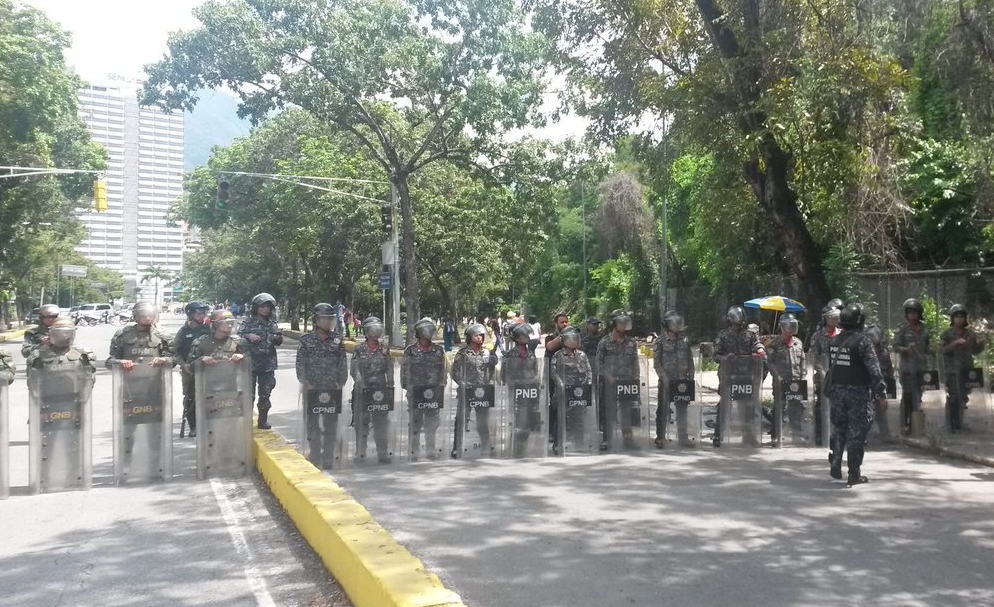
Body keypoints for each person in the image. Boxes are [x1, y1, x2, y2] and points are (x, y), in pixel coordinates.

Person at [105, 302, 173, 469]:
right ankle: (125, 466)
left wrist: (164, 360)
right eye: (144, 315)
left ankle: (156, 465)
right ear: (136, 316)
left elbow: (174, 358)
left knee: (155, 430)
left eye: (150, 315)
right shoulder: (123, 335)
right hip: (130, 390)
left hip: (155, 389)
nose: (148, 318)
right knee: (128, 430)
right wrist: (120, 362)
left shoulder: (162, 334)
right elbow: (109, 361)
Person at [827, 303, 886, 487]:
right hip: (857, 392)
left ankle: (836, 463)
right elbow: (874, 370)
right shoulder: (863, 341)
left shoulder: (834, 341)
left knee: (839, 429)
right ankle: (854, 474)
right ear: (859, 321)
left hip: (837, 392)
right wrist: (881, 393)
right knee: (856, 433)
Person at [297, 303, 349, 468]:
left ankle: (328, 456)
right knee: (312, 424)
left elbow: (342, 364)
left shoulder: (337, 340)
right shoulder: (306, 341)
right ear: (316, 320)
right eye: (324, 319)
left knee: (330, 424)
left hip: (331, 389)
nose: (328, 322)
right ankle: (315, 453)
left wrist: (340, 383)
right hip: (312, 389)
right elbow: (300, 365)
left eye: (330, 319)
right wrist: (307, 383)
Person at [712, 305, 766, 447]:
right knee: (724, 404)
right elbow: (715, 356)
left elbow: (758, 345)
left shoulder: (749, 334)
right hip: (728, 375)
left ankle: (748, 435)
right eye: (736, 318)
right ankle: (718, 434)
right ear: (730, 319)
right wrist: (725, 358)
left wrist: (760, 350)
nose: (739, 321)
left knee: (747, 406)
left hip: (745, 375)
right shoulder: (722, 335)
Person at [450, 322, 499, 457]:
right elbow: (455, 372)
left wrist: (493, 359)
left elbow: (493, 369)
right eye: (476, 335)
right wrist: (462, 383)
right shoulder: (463, 353)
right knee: (461, 419)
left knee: (483, 421)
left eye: (482, 336)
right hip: (467, 391)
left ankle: (486, 446)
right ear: (469, 337)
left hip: (483, 391)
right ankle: (457, 447)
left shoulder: (487, 353)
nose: (480, 338)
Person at [596, 309, 642, 450]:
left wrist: (636, 379)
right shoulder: (604, 342)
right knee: (609, 412)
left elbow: (635, 362)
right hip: (610, 383)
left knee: (626, 412)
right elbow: (599, 363)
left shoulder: (631, 343)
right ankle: (607, 440)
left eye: (625, 322)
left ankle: (628, 440)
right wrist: (607, 376)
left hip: (627, 382)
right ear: (614, 323)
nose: (624, 326)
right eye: (621, 323)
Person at [238, 292, 284, 429]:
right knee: (248, 395)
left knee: (265, 394)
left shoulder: (272, 323)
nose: (265, 309)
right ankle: (246, 422)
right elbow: (237, 338)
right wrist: (248, 335)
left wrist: (278, 337)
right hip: (250, 364)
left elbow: (278, 341)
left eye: (268, 307)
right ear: (256, 308)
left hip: (267, 364)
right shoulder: (248, 322)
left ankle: (262, 420)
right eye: (262, 306)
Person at [402, 318, 446, 460]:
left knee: (432, 422)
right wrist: (408, 388)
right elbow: (405, 372)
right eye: (426, 329)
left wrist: (441, 387)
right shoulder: (411, 351)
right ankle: (413, 450)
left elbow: (442, 372)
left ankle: (430, 449)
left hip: (433, 392)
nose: (429, 332)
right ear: (419, 332)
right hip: (416, 392)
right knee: (415, 421)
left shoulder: (438, 351)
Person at [351, 315, 392, 463]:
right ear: (366, 332)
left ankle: (383, 452)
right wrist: (360, 382)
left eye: (378, 330)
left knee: (381, 422)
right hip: (362, 391)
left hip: (380, 392)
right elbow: (354, 370)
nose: (376, 333)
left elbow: (389, 369)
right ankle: (360, 452)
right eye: (373, 330)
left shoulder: (384, 350)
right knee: (361, 423)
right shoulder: (359, 350)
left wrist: (390, 386)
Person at [653, 311, 695, 448]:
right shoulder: (660, 341)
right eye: (673, 323)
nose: (677, 325)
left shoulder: (685, 340)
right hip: (666, 381)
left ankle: (683, 437)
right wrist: (663, 378)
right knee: (663, 410)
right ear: (667, 325)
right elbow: (657, 363)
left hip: (682, 380)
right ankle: (660, 437)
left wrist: (691, 376)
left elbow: (690, 359)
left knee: (682, 409)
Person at [940, 304, 983, 432]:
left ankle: (960, 423)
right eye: (957, 317)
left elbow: (976, 350)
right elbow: (942, 350)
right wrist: (955, 343)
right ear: (952, 318)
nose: (959, 319)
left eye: (962, 317)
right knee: (953, 396)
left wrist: (982, 342)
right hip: (952, 370)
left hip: (967, 370)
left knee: (963, 397)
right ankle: (951, 424)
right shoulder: (947, 334)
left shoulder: (970, 333)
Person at [172, 301, 211, 437]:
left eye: (203, 313)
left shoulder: (208, 329)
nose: (202, 316)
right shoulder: (183, 332)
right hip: (189, 370)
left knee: (210, 396)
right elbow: (174, 351)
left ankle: (208, 424)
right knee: (190, 398)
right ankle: (193, 426)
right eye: (199, 313)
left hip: (208, 369)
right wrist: (184, 366)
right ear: (190, 314)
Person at [551, 326, 593, 452]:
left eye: (575, 339)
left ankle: (579, 443)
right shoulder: (558, 355)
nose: (573, 341)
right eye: (571, 339)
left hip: (579, 393)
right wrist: (561, 384)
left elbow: (588, 371)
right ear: (564, 340)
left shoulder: (582, 355)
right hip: (563, 393)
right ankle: (558, 444)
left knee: (579, 418)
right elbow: (553, 372)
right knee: (561, 419)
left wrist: (587, 384)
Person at [504, 322, 543, 456]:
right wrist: (517, 383)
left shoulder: (531, 354)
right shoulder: (510, 354)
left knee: (527, 424)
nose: (527, 337)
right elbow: (506, 375)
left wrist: (536, 382)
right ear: (517, 338)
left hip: (530, 392)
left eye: (527, 335)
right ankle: (515, 448)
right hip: (517, 393)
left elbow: (535, 371)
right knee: (518, 423)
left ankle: (524, 448)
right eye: (524, 335)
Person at [892, 298, 930, 435]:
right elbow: (895, 347)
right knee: (908, 396)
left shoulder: (924, 329)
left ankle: (916, 424)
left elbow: (928, 347)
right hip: (907, 369)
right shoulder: (902, 329)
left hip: (921, 368)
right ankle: (905, 424)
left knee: (918, 396)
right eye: (910, 312)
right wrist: (906, 349)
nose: (912, 315)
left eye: (915, 312)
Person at [766, 313, 806, 442]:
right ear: (783, 327)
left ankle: (797, 434)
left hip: (796, 381)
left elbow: (803, 361)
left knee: (796, 408)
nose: (791, 328)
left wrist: (803, 375)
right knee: (779, 408)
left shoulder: (798, 342)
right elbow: (769, 362)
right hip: (780, 382)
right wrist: (776, 375)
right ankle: (775, 435)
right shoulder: (775, 344)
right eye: (789, 325)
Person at [810, 299, 843, 445]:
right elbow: (813, 356)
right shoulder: (818, 336)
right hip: (823, 377)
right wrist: (821, 371)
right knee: (820, 406)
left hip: (840, 377)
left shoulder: (842, 334)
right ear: (826, 318)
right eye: (832, 317)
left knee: (841, 407)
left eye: (837, 317)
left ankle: (839, 435)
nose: (835, 319)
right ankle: (819, 435)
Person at [543, 313, 571, 447]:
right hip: (553, 376)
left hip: (569, 376)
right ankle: (552, 433)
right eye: (562, 322)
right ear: (556, 324)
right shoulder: (551, 336)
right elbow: (550, 346)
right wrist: (564, 335)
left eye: (566, 322)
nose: (565, 324)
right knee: (554, 405)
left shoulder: (572, 336)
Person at [865, 323, 895, 437]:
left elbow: (889, 372)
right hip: (866, 386)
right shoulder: (864, 351)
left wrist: (888, 390)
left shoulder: (884, 353)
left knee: (881, 411)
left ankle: (885, 435)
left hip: (879, 386)